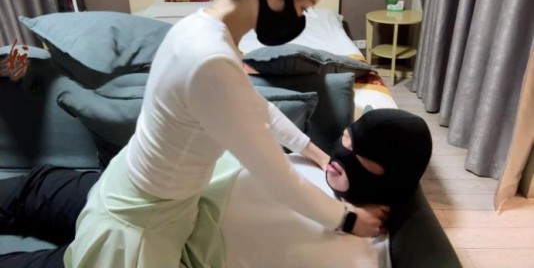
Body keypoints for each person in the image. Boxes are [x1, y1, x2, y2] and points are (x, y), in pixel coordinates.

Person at [60, 0, 388, 267]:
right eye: (304, 5)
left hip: (146, 193)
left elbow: (256, 108)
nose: (301, 17)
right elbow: (276, 178)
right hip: (142, 222)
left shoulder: (204, 29)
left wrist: (315, 153)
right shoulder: (210, 58)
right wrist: (350, 220)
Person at [0, 108, 432, 268]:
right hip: (147, 192)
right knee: (34, 190)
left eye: (360, 158)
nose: (341, 155)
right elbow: (259, 112)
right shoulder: (321, 162)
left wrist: (349, 220)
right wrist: (316, 154)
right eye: (346, 139)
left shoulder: (364, 250)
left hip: (153, 245)